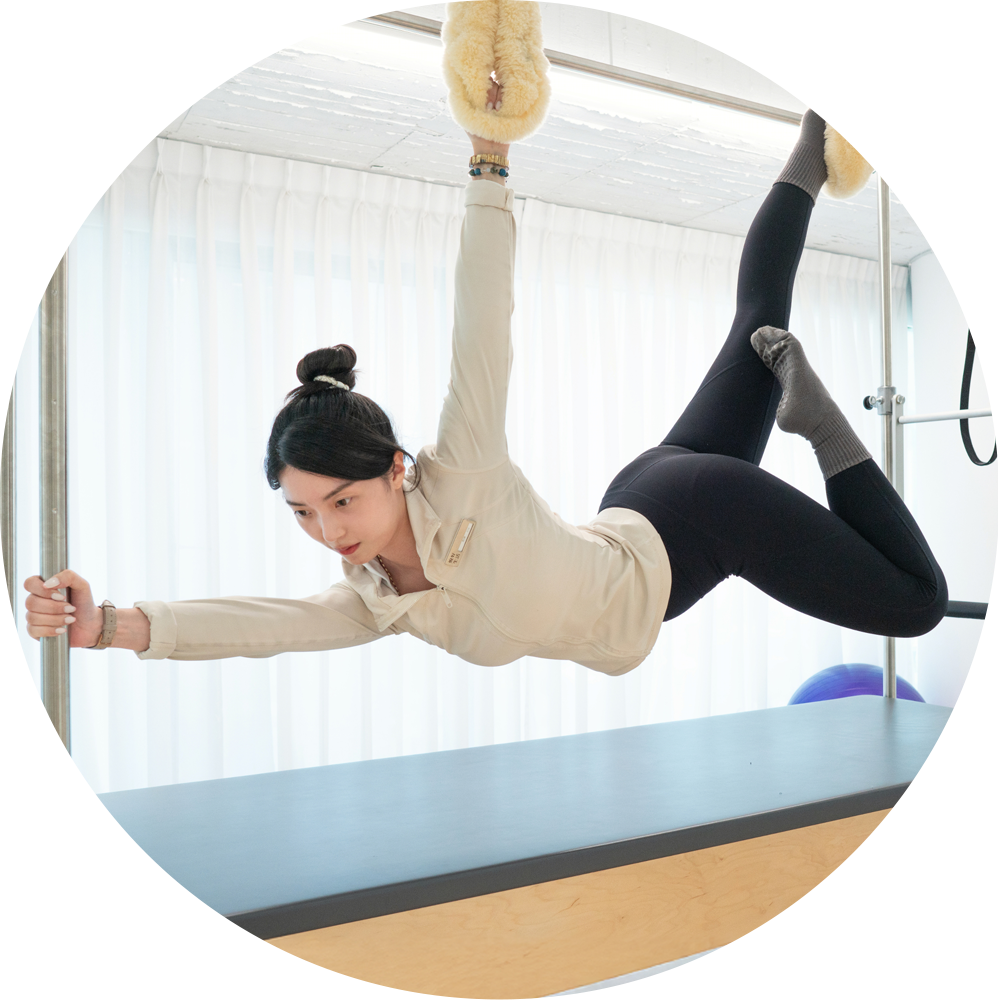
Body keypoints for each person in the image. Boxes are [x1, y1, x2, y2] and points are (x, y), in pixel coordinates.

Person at [24, 73, 947, 674]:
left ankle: (819, 422)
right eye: (302, 512)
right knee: (758, 325)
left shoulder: (458, 473)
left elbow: (480, 330)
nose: (327, 531)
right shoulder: (376, 601)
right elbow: (262, 624)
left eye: (341, 500)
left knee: (916, 605)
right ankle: (818, 136)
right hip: (648, 503)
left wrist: (489, 161)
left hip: (702, 518)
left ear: (394, 468)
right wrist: (107, 625)